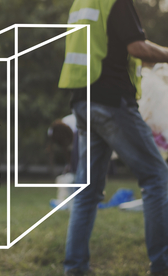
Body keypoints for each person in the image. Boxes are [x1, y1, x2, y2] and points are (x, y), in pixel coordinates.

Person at [58, 0, 168, 275]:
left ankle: (75, 267)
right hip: (111, 101)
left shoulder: (81, 3)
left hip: (84, 100)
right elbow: (138, 48)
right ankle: (162, 265)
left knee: (87, 190)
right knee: (157, 177)